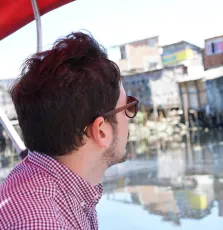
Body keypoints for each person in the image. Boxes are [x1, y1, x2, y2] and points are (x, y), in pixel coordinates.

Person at [0, 31, 139, 229]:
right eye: (129, 106)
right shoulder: (42, 222)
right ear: (101, 131)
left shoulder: (43, 180)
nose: (131, 117)